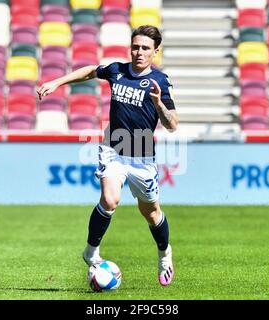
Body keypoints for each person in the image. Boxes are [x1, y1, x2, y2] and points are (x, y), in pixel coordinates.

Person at [37, 25, 178, 286]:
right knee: (110, 200)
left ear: (155, 52)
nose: (139, 52)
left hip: (142, 157)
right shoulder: (117, 70)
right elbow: (91, 70)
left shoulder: (160, 82)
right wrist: (56, 82)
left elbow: (172, 125)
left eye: (145, 48)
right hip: (113, 149)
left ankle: (164, 254)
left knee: (151, 213)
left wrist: (159, 104)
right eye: (135, 46)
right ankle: (91, 252)